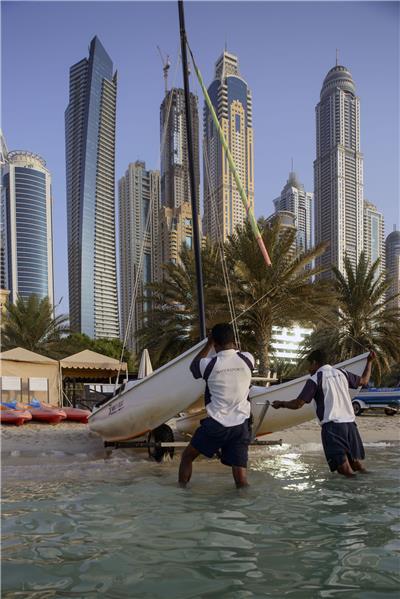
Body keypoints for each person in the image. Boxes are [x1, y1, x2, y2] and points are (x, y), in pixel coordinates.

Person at [272, 349, 376, 476]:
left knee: (344, 470)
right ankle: (369, 487)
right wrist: (369, 362)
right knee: (356, 465)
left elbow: (298, 404)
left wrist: (280, 403)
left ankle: (355, 493)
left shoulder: (316, 379)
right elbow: (364, 381)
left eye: (309, 365)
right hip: (351, 426)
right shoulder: (342, 373)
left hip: (333, 428)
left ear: (315, 363)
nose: (308, 369)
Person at [178, 323, 255, 488]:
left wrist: (208, 344)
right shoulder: (248, 358)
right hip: (241, 425)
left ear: (215, 342)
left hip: (216, 424)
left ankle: (182, 493)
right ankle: (244, 506)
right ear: (233, 340)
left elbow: (193, 367)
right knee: (241, 476)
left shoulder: (209, 364)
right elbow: (237, 357)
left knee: (187, 457)